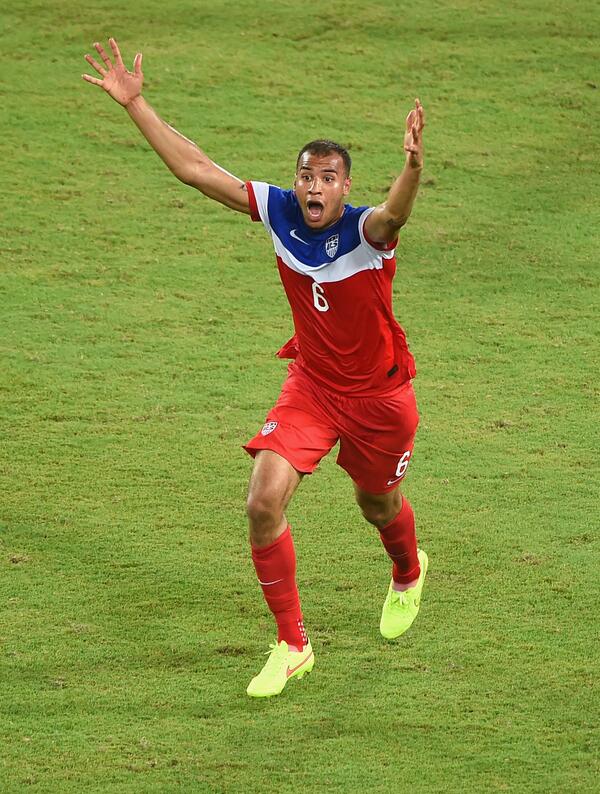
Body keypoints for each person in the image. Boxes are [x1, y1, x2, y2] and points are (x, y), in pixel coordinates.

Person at [83, 38, 428, 699]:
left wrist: (412, 165)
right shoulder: (277, 211)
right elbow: (196, 169)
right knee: (262, 501)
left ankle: (408, 573)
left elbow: (396, 212)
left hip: (382, 399)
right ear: (296, 180)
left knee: (376, 503)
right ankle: (293, 644)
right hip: (313, 388)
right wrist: (137, 104)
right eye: (307, 175)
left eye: (328, 177)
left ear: (345, 186)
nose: (315, 186)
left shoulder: (366, 234)